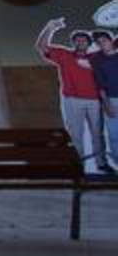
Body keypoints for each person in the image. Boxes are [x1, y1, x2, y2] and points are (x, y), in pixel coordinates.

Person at [36, 18, 112, 173]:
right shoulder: (64, 55)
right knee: (76, 135)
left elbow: (113, 44)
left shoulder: (96, 57)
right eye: (77, 40)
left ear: (89, 43)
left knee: (98, 135)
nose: (81, 42)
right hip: (72, 100)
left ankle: (102, 163)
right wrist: (50, 27)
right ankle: (78, 166)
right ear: (73, 43)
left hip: (94, 101)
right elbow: (41, 46)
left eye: (84, 40)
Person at [90, 29, 118, 170]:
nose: (102, 44)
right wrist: (106, 103)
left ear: (111, 40)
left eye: (104, 41)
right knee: (114, 136)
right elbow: (100, 83)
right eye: (99, 43)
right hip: (112, 100)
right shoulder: (97, 59)